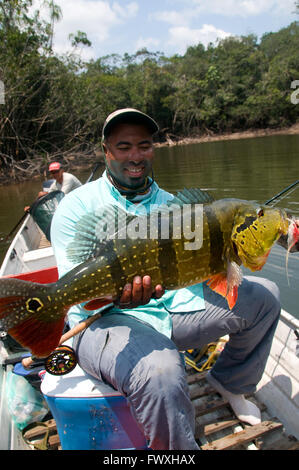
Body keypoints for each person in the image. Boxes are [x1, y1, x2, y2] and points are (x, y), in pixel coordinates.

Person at [50, 108, 282, 450]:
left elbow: (214, 269)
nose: (135, 156)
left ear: (153, 149)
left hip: (170, 306)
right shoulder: (76, 206)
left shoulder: (173, 206)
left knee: (266, 296)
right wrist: (115, 296)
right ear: (106, 151)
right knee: (161, 371)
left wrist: (276, 236)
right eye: (124, 146)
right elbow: (81, 294)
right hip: (100, 321)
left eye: (143, 146)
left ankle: (231, 382)